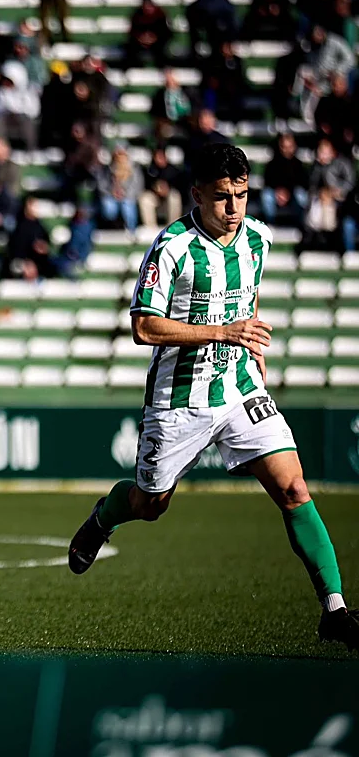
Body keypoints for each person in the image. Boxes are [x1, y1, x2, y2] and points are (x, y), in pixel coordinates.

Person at [67, 143, 359, 651]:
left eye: (241, 195)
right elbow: (143, 327)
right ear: (197, 194)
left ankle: (334, 610)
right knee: (150, 504)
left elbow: (248, 293)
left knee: (294, 488)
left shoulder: (259, 239)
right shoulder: (172, 247)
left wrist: (251, 342)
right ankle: (103, 517)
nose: (233, 207)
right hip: (179, 398)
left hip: (239, 387)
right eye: (222, 197)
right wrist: (225, 331)